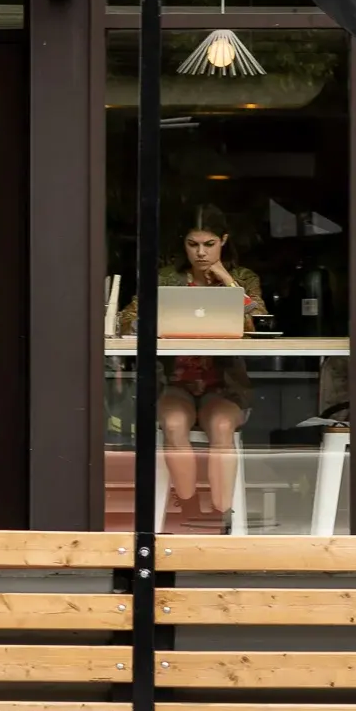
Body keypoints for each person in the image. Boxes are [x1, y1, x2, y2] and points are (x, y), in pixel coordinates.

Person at [121, 210, 268, 530]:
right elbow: (126, 319)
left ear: (224, 242)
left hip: (223, 385)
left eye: (209, 244)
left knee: (222, 426)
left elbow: (258, 322)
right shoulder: (165, 278)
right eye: (193, 244)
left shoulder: (243, 277)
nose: (201, 252)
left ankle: (221, 514)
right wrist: (148, 321)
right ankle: (187, 506)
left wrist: (227, 280)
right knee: (174, 424)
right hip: (175, 382)